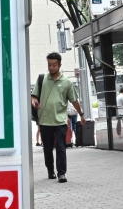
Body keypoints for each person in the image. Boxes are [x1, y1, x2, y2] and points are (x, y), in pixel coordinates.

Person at [31, 52, 84, 183]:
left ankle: (61, 173)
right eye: (49, 65)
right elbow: (34, 95)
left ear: (60, 65)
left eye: (54, 65)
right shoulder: (42, 79)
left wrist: (81, 114)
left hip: (60, 120)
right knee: (47, 149)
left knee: (61, 147)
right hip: (44, 121)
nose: (51, 67)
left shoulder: (66, 82)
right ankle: (50, 170)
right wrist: (34, 101)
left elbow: (74, 100)